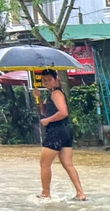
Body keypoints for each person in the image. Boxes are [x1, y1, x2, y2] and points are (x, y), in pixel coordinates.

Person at [37, 69, 87, 200]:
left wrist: (48, 120)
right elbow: (44, 112)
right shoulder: (52, 94)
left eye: (49, 79)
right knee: (68, 164)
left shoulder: (56, 93)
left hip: (56, 132)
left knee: (44, 164)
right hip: (65, 132)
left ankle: (45, 193)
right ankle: (80, 193)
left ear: (56, 80)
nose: (47, 82)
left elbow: (63, 112)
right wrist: (38, 98)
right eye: (44, 80)